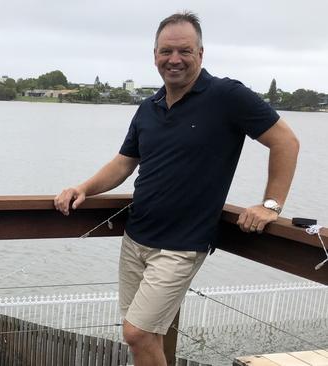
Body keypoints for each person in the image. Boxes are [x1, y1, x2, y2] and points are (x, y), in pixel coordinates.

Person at [53, 11, 299, 366]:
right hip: (135, 239)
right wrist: (84, 188)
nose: (174, 60)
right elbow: (124, 162)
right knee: (144, 336)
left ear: (201, 54)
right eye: (166, 51)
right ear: (154, 55)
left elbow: (286, 142)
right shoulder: (148, 107)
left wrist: (270, 205)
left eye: (184, 51)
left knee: (136, 333)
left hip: (182, 245)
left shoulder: (227, 96)